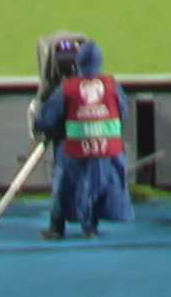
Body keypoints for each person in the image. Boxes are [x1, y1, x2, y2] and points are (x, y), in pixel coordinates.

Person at [48, 54, 135, 236]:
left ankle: (56, 227)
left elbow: (48, 117)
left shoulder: (68, 87)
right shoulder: (112, 84)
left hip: (75, 152)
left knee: (63, 178)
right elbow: (124, 112)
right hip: (109, 151)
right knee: (101, 180)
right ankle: (91, 226)